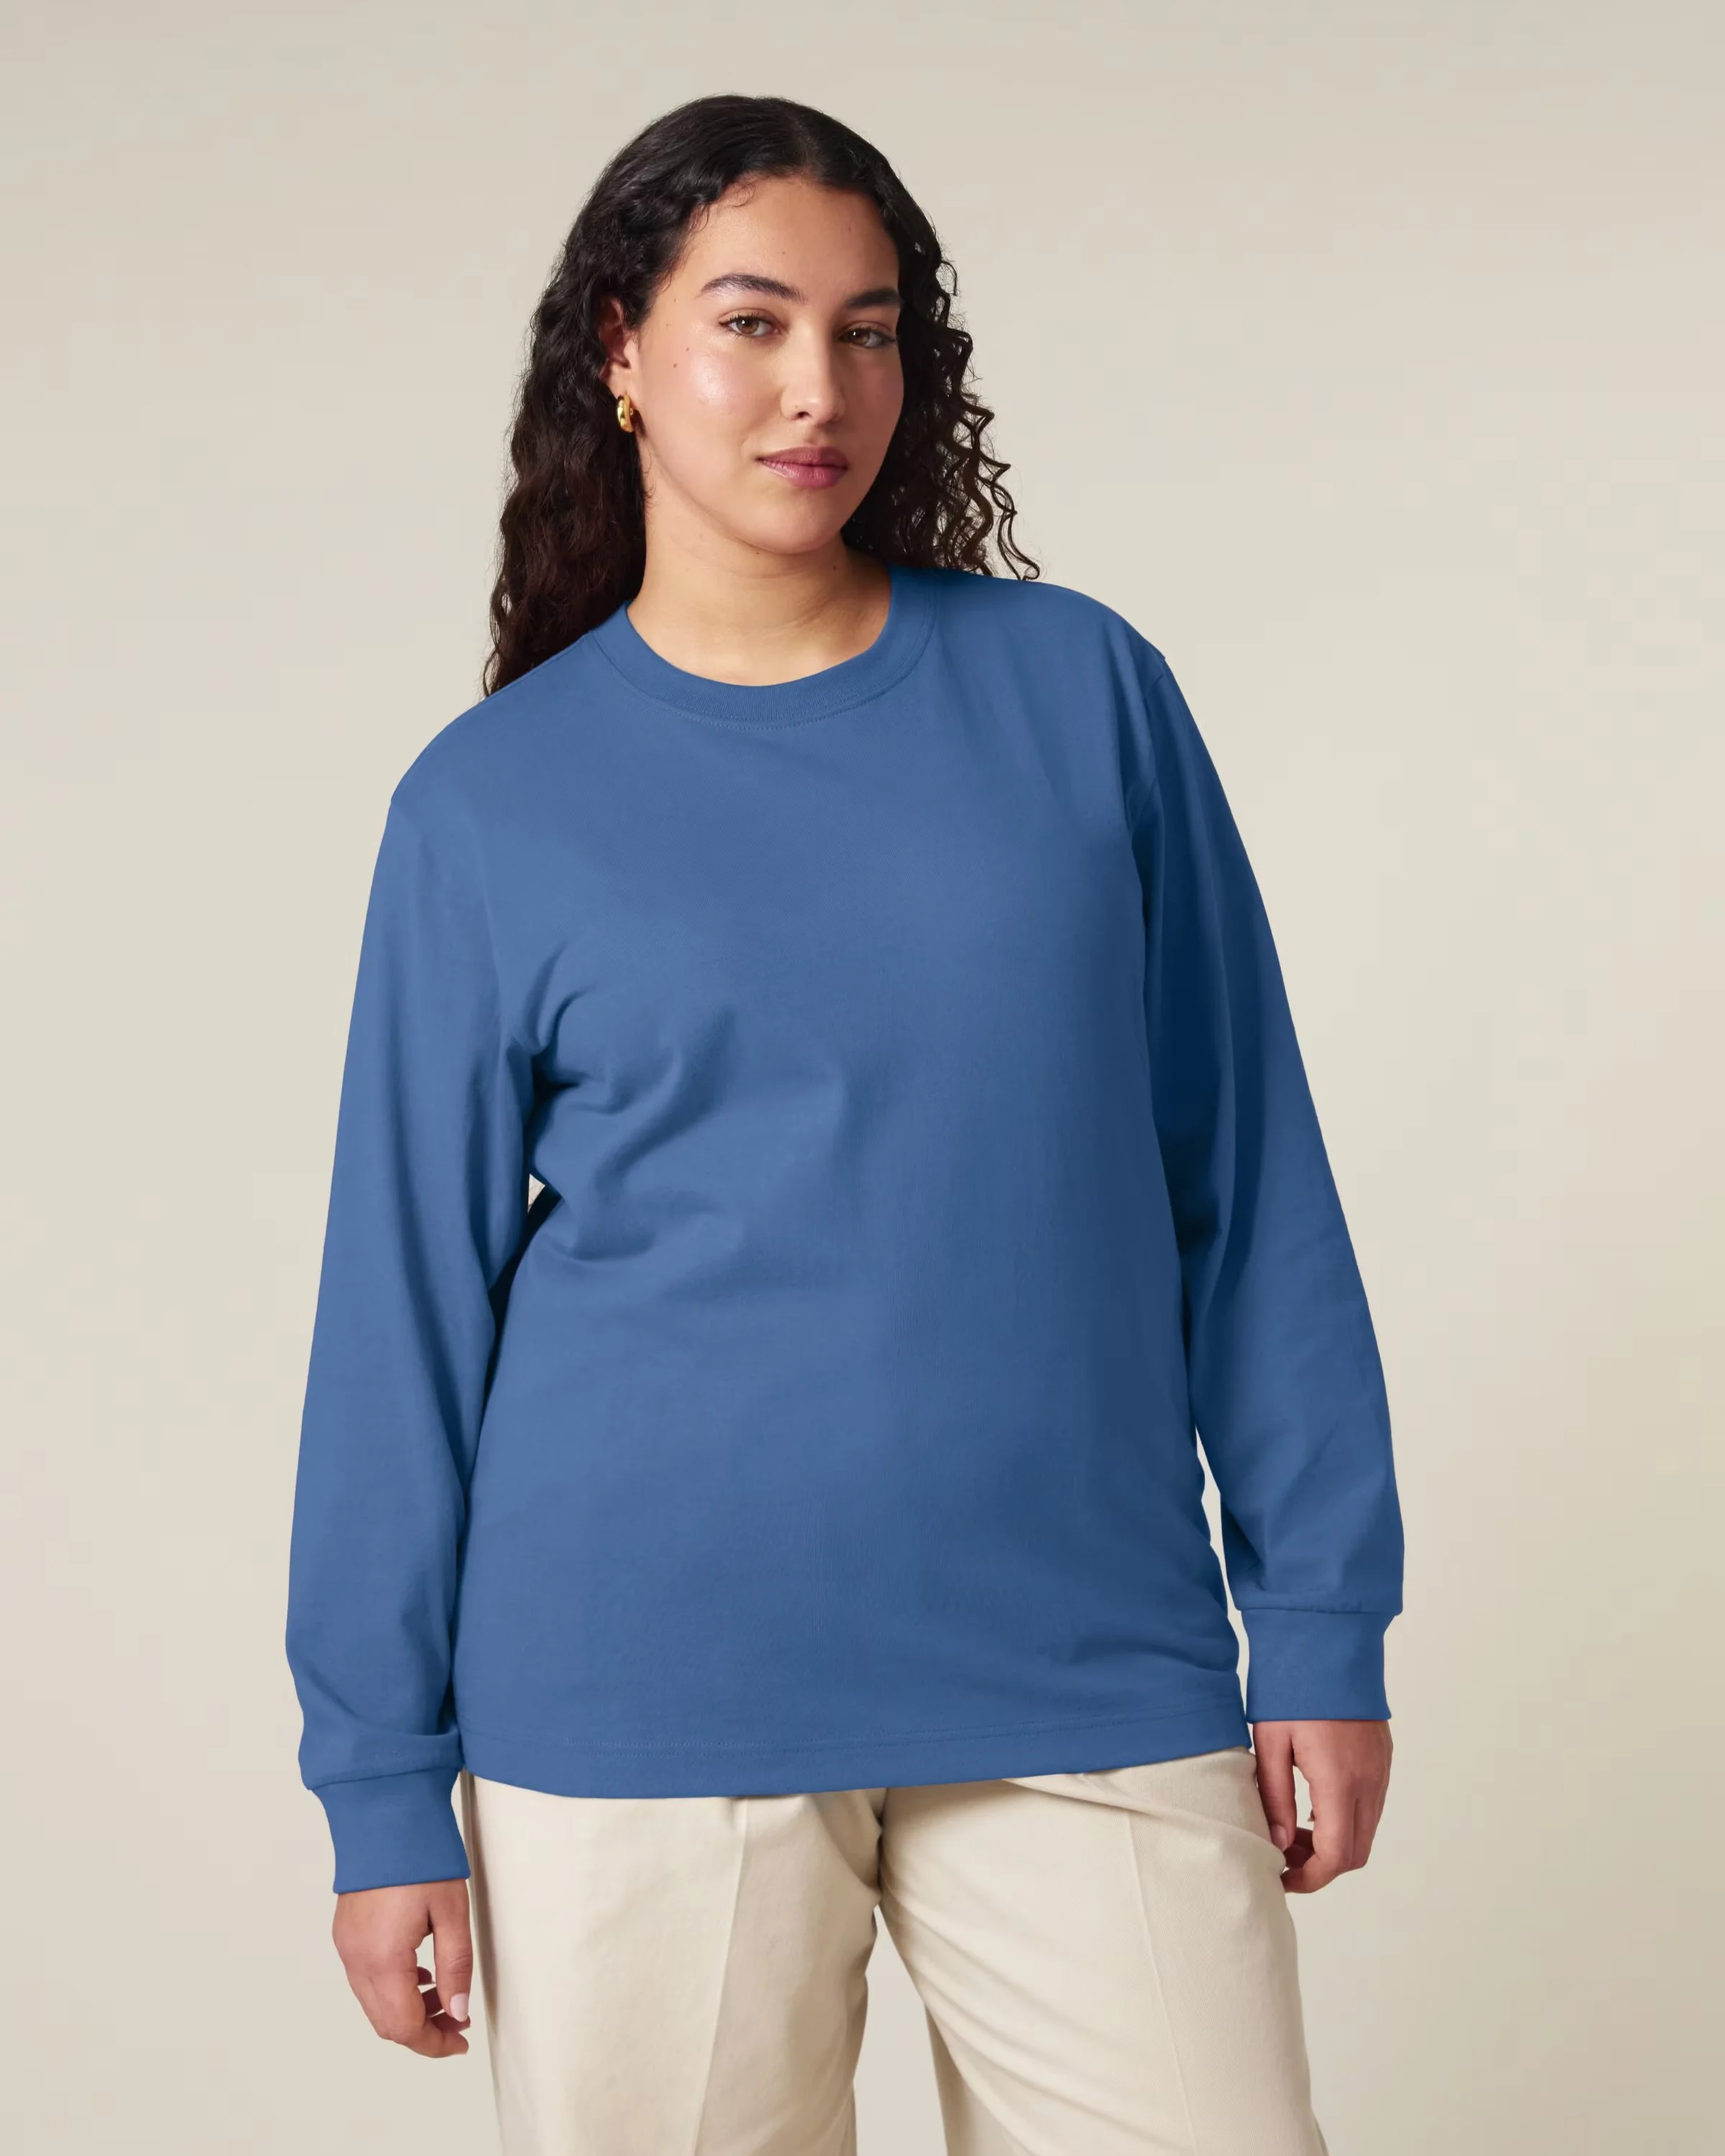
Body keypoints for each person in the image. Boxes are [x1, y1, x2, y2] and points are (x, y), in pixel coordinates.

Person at [285, 91, 1403, 2156]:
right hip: (638, 1693)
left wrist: (1321, 1618)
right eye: (754, 323)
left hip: (1087, 1655)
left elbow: (1243, 1181)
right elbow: (403, 1315)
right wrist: (379, 1785)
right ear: (622, 354)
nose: (820, 387)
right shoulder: (491, 804)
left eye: (869, 331)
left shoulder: (1083, 696)